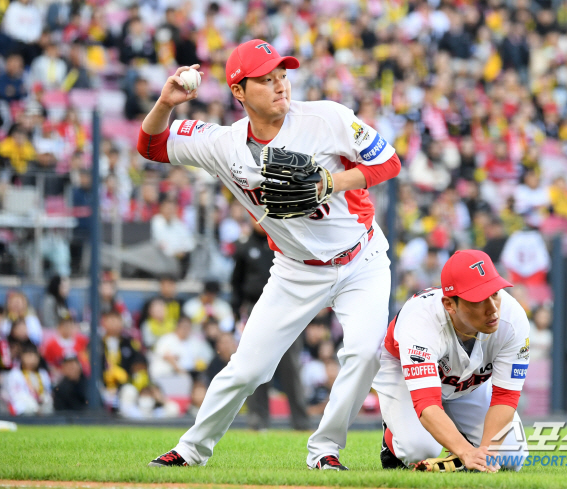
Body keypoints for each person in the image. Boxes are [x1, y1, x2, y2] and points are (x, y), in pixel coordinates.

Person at [139, 39, 400, 470]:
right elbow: (151, 147)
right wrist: (165, 103)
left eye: (282, 76)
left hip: (361, 259)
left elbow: (388, 162)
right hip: (295, 270)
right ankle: (190, 450)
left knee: (364, 352)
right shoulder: (221, 143)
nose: (281, 86)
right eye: (266, 79)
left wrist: (331, 183)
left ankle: (325, 451)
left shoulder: (326, 117)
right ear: (239, 92)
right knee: (247, 369)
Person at [373, 250, 530, 471]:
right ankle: (392, 438)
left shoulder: (512, 318)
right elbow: (426, 401)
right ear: (449, 304)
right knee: (418, 450)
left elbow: (506, 396)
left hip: (467, 382)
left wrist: (484, 455)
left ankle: (460, 441)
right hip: (403, 374)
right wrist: (466, 452)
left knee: (511, 456)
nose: (492, 308)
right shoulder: (421, 321)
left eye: (494, 292)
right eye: (479, 299)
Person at [231, 221, 309, 431]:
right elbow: (236, 284)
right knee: (256, 364)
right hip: (256, 308)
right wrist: (236, 313)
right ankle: (258, 420)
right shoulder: (244, 247)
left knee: (290, 367)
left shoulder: (284, 241)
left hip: (287, 308)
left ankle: (300, 422)